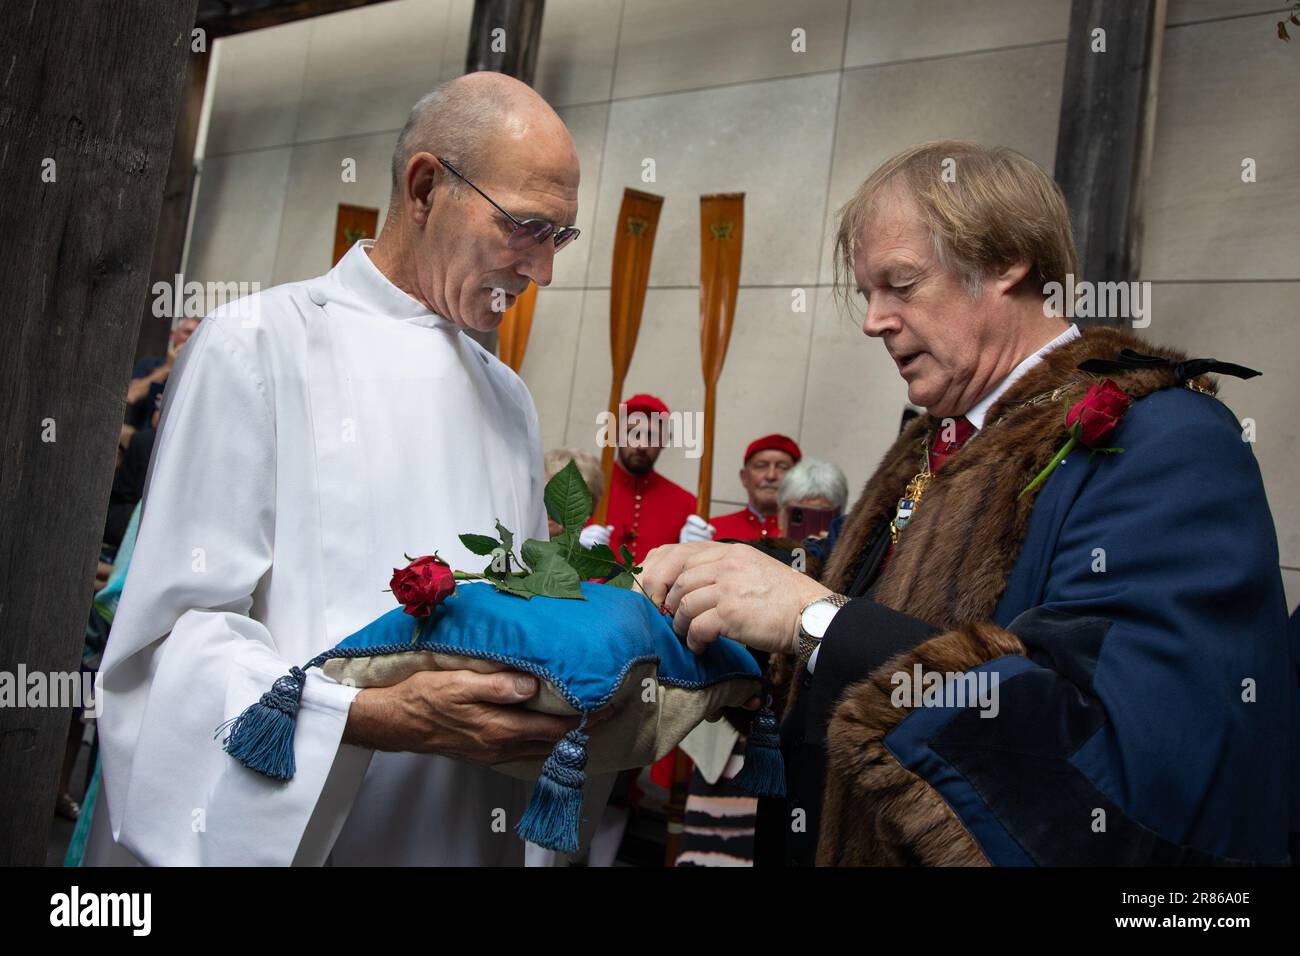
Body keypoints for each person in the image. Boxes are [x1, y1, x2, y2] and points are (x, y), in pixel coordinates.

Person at [641, 141, 1297, 866]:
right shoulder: (930, 441)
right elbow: (880, 614)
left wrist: (811, 617)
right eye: (867, 294)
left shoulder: (1162, 439)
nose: (873, 321)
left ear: (1006, 259)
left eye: (900, 284)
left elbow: (1127, 773)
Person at [89, 72, 589, 866]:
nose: (543, 272)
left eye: (559, 236)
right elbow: (177, 641)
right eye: (525, 227)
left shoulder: (509, 400)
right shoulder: (258, 345)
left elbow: (517, 618)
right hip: (309, 831)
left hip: (460, 824)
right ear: (426, 188)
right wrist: (364, 721)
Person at [580, 393, 697, 563]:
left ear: (665, 440)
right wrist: (572, 546)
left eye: (651, 436)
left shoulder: (686, 505)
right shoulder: (584, 486)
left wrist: (696, 552)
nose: (641, 445)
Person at [682, 435, 800, 543]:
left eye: (782, 467)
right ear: (744, 477)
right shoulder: (711, 531)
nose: (771, 475)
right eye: (761, 466)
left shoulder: (809, 537)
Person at [774, 457, 847, 540]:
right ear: (781, 517)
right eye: (798, 515)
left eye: (818, 519)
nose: (807, 528)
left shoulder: (846, 551)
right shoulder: (760, 551)